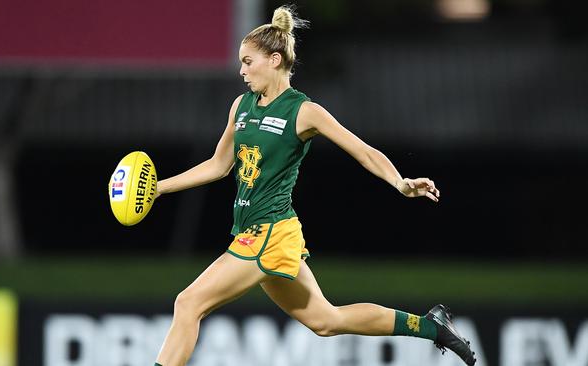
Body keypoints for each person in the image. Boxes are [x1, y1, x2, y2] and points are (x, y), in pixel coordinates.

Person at [152, 5, 476, 366]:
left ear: (274, 60)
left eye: (248, 61)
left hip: (268, 233)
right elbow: (219, 164)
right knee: (326, 321)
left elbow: (363, 151)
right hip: (256, 232)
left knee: (188, 302)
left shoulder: (303, 111)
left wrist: (399, 182)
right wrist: (159, 188)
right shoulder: (241, 106)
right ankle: (432, 326)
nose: (242, 71)